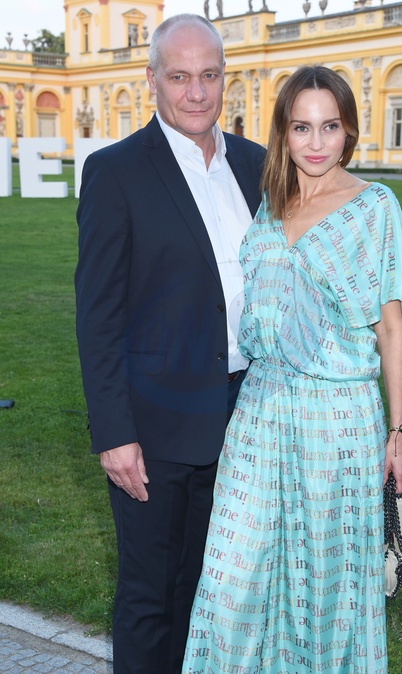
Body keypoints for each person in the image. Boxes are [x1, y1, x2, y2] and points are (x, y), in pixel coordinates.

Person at [182, 65, 402, 673]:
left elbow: (390, 328)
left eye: (330, 127)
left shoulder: (373, 207)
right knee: (231, 581)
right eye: (302, 127)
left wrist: (396, 433)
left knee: (323, 593)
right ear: (283, 133)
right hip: (260, 412)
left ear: (349, 131)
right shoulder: (270, 203)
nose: (316, 142)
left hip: (337, 420)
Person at [75, 13, 265, 674]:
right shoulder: (116, 171)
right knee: (150, 597)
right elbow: (97, 317)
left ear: (224, 78)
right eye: (180, 76)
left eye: (209, 75)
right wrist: (113, 434)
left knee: (212, 594)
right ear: (152, 79)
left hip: (247, 418)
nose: (196, 92)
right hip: (154, 426)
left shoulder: (255, 164)